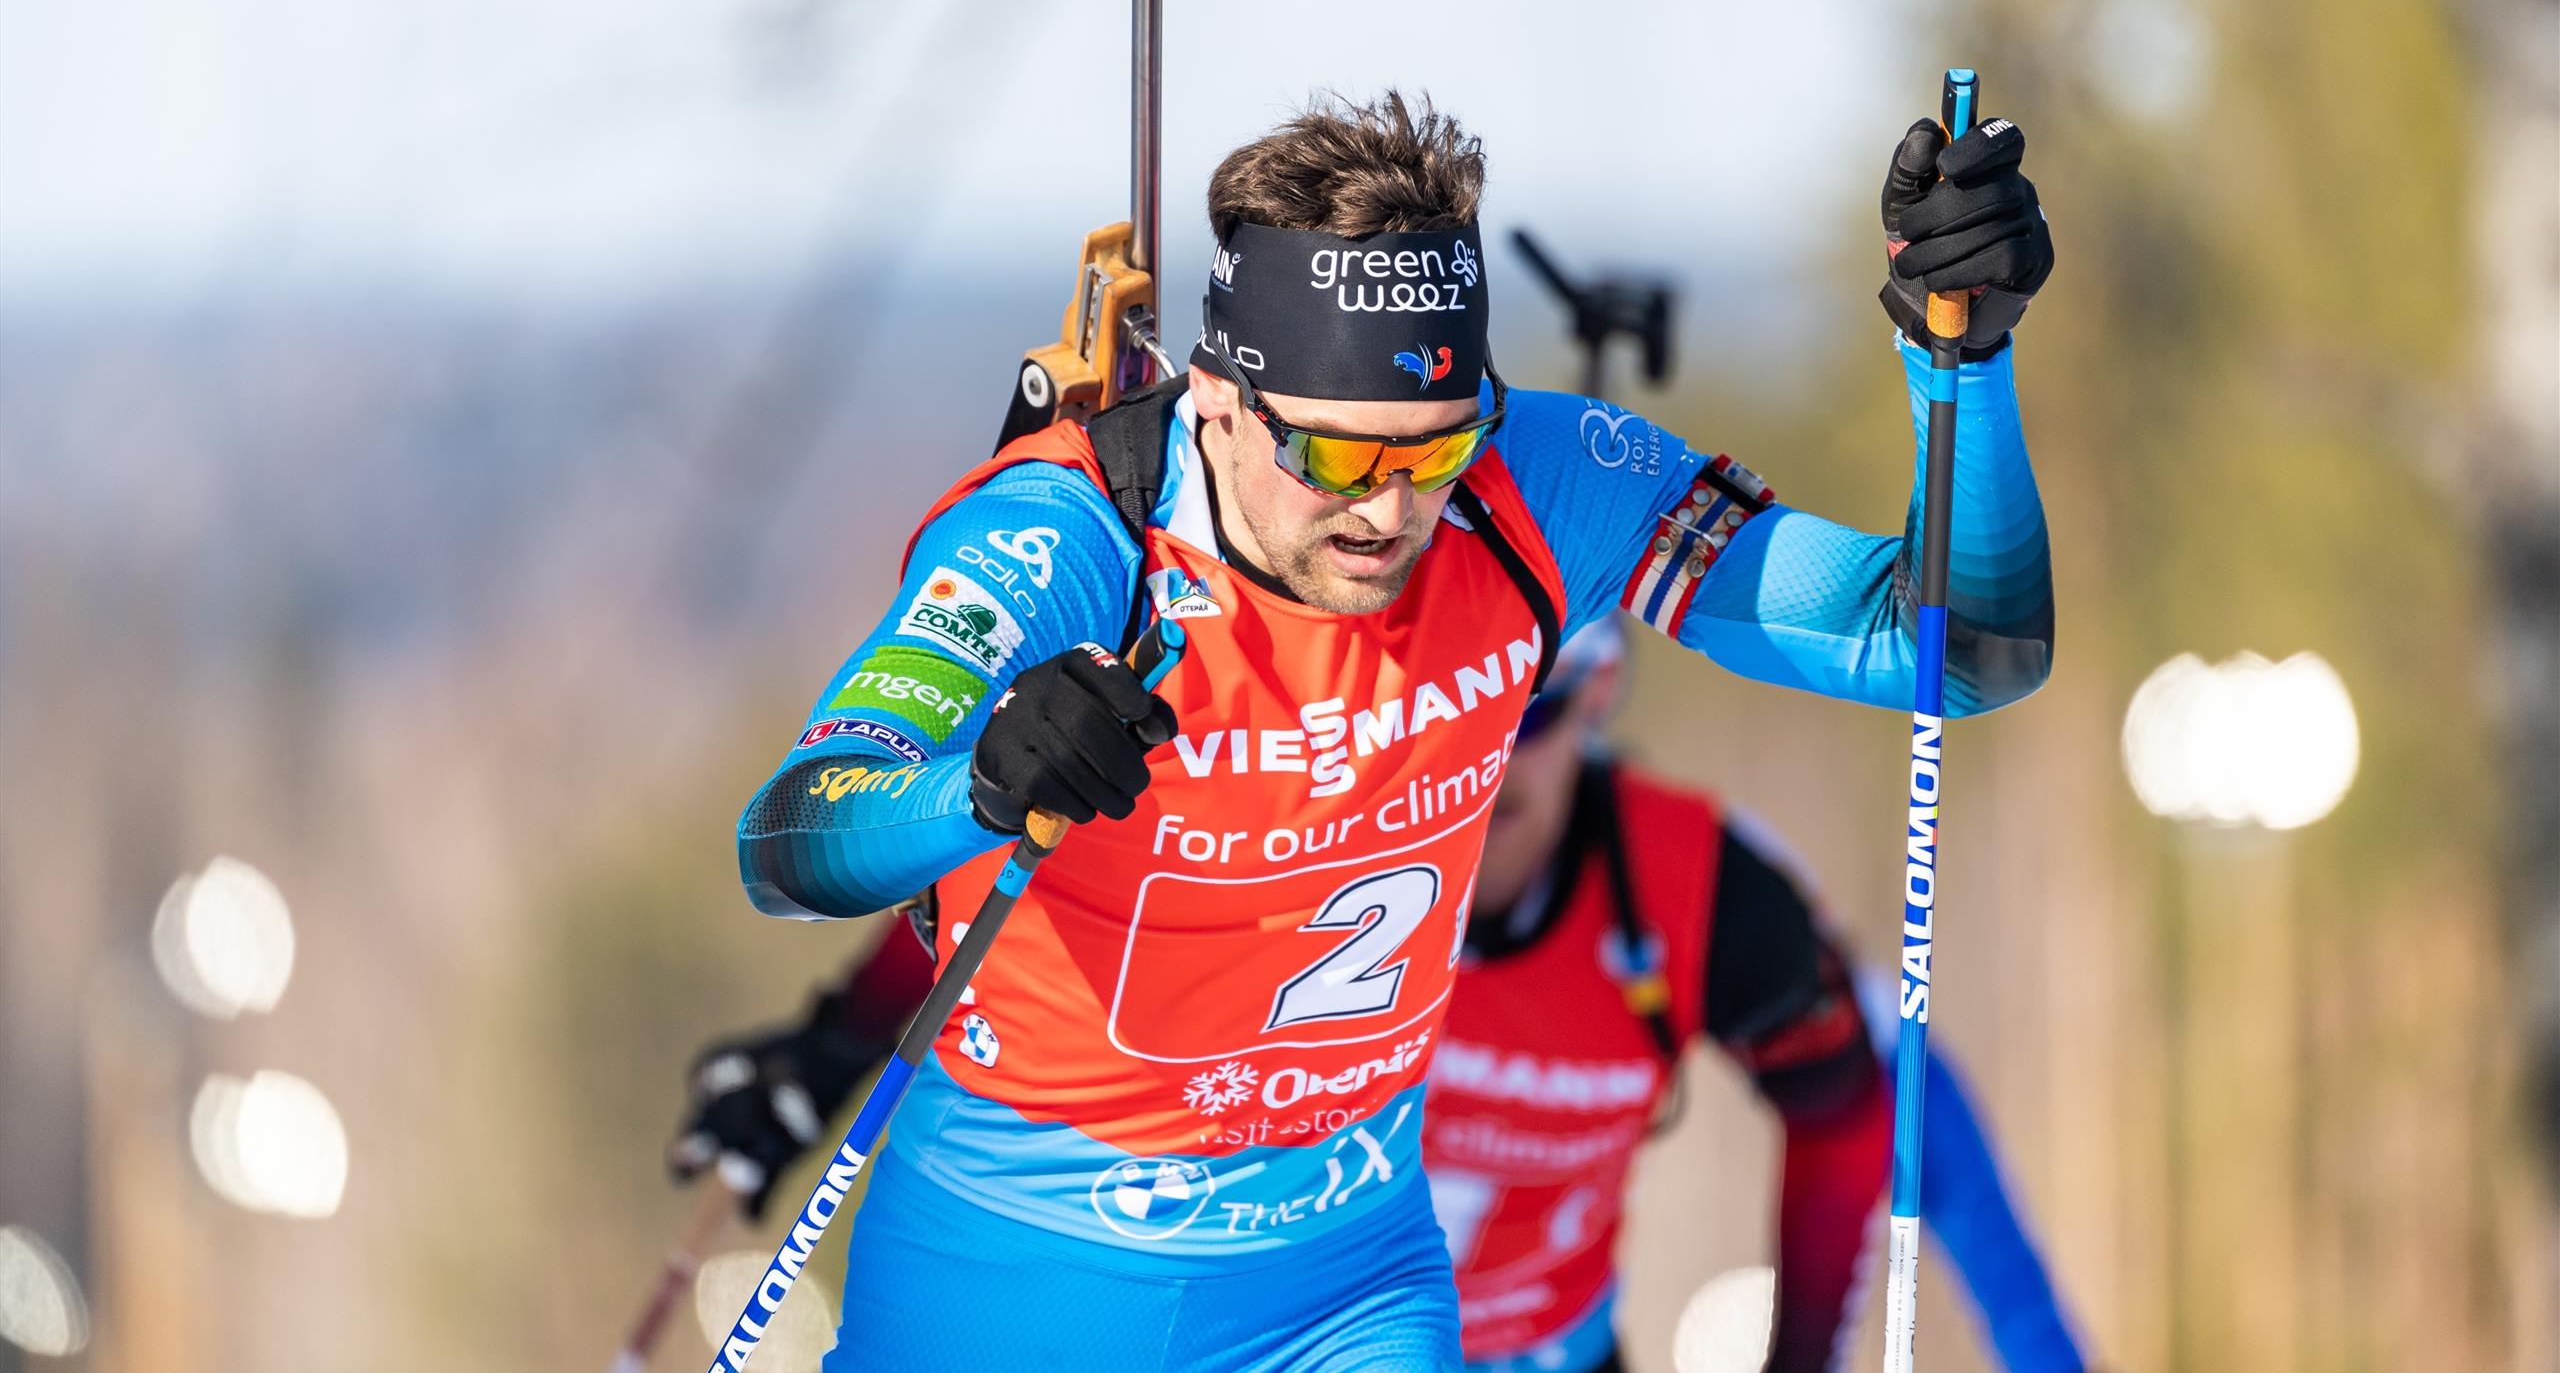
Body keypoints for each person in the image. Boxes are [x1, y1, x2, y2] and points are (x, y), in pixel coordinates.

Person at [732, 90, 2056, 1371]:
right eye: (1341, 461)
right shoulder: (1067, 542)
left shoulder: (1536, 486)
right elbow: (792, 838)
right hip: (1011, 1275)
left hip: (1337, 1288)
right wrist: (979, 780)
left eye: (1432, 450)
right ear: (1218, 398)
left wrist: (1971, 362)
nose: (1391, 512)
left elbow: (1955, 652)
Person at [683, 627, 2091, 1372]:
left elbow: (1872, 1113)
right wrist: (827, 1051)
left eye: (1529, 725)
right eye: (1462, 730)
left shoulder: (1690, 884)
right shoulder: (1294, 826)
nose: (1490, 775)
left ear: (1595, 703)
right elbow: (1027, 918)